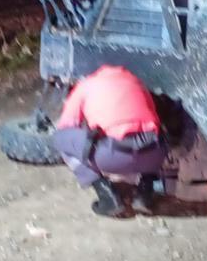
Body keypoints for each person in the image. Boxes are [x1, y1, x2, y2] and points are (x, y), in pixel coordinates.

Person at [52, 65, 167, 217]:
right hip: (154, 154)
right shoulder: (137, 82)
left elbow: (66, 125)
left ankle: (106, 194)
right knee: (151, 133)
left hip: (111, 156)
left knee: (60, 138)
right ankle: (145, 193)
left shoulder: (86, 85)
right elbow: (154, 120)